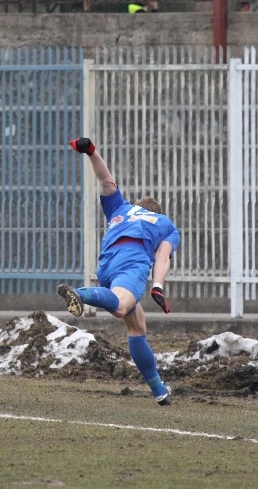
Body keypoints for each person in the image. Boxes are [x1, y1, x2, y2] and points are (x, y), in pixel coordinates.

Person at [57, 137, 179, 406]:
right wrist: (157, 286)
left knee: (137, 326)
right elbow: (162, 256)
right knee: (123, 308)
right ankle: (81, 294)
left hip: (107, 263)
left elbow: (107, 182)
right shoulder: (166, 224)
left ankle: (159, 390)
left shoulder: (122, 208)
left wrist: (91, 151)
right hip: (132, 262)